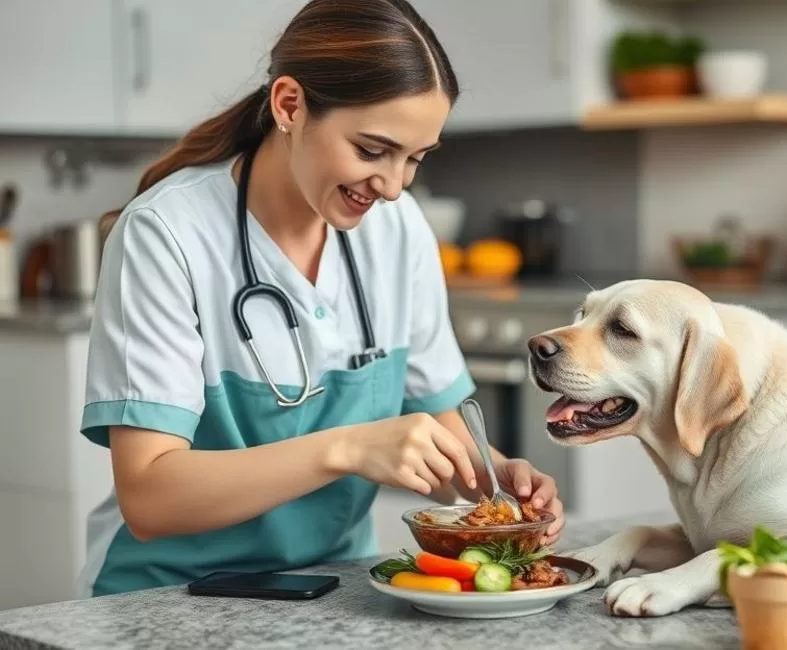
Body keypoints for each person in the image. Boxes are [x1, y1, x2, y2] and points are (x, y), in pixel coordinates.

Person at [78, 0, 564, 598]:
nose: (392, 187)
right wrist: (349, 448)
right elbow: (150, 498)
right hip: (171, 596)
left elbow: (441, 416)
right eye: (370, 150)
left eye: (414, 158)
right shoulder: (166, 232)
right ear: (289, 105)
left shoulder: (400, 228)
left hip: (336, 589)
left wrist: (495, 479)